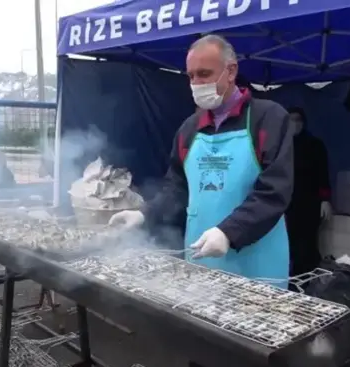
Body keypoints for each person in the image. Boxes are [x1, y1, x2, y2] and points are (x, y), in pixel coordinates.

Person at [109, 34, 294, 284]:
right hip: (201, 256)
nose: (196, 83)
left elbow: (274, 191)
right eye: (191, 76)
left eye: (204, 74)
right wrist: (145, 214)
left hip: (257, 262)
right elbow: (176, 188)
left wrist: (228, 232)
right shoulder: (189, 129)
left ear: (231, 71)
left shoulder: (268, 118)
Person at [284, 107, 332, 276]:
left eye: (298, 120)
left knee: (307, 244)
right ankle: (291, 279)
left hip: (309, 203)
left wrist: (325, 200)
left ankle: (307, 280)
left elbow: (323, 173)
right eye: (291, 120)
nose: (295, 124)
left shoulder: (314, 145)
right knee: (289, 243)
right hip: (286, 204)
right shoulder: (282, 146)